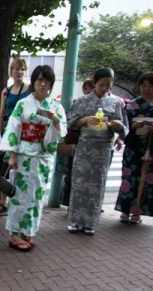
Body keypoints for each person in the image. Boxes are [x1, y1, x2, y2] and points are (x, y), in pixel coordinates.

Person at [0, 65, 67, 251]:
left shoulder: (56, 107)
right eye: (39, 80)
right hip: (24, 155)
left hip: (43, 156)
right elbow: (13, 128)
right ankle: (14, 234)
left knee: (37, 195)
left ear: (51, 84)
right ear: (34, 82)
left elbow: (61, 131)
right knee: (20, 195)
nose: (42, 84)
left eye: (46, 81)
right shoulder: (23, 103)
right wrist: (11, 154)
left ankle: (28, 230)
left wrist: (54, 121)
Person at [67, 67, 128, 235]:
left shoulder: (117, 102)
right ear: (95, 83)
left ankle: (90, 222)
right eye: (102, 84)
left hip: (103, 147)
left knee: (97, 184)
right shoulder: (81, 101)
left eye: (108, 85)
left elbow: (124, 126)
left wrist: (116, 127)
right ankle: (74, 220)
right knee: (79, 182)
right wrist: (84, 120)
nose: (105, 88)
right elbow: (70, 121)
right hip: (84, 145)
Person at [115, 71, 153, 223]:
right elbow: (123, 125)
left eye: (151, 86)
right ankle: (125, 210)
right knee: (129, 177)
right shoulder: (132, 104)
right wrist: (133, 125)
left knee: (149, 180)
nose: (147, 89)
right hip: (134, 147)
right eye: (143, 85)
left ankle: (138, 212)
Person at [0, 59, 32, 216]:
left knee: (21, 167)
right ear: (11, 71)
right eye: (16, 69)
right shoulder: (6, 91)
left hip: (23, 131)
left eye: (22, 69)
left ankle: (21, 200)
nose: (19, 72)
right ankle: (3, 202)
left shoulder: (29, 90)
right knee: (4, 168)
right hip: (9, 132)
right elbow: (1, 113)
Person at [61, 78, 96, 207]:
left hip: (97, 147)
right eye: (86, 88)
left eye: (91, 88)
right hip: (78, 144)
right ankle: (70, 203)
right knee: (73, 174)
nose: (88, 91)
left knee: (92, 177)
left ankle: (91, 203)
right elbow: (69, 123)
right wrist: (84, 120)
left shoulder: (109, 103)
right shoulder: (79, 103)